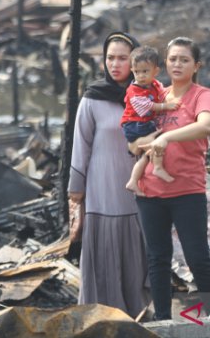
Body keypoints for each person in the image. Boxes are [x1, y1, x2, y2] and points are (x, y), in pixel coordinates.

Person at [135, 36, 210, 320]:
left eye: (184, 59)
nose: (177, 64)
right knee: (158, 260)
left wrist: (167, 136)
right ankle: (163, 320)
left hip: (187, 191)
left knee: (198, 258)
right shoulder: (157, 96)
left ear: (196, 65)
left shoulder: (201, 94)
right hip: (150, 192)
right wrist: (144, 140)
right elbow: (134, 136)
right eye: (172, 59)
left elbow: (206, 126)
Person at [68, 31, 149, 318]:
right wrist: (76, 194)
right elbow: (81, 147)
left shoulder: (146, 97)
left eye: (122, 58)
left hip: (138, 192)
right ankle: (100, 316)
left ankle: (137, 314)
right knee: (103, 256)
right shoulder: (92, 98)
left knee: (138, 256)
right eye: (110, 58)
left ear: (135, 61)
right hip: (102, 193)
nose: (115, 64)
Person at [121, 46, 180, 193]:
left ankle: (133, 180)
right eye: (136, 72)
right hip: (134, 124)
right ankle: (158, 167)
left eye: (145, 71)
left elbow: (162, 91)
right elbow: (147, 106)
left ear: (156, 71)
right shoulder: (133, 90)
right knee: (161, 138)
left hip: (141, 123)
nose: (140, 76)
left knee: (146, 155)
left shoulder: (154, 84)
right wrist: (166, 106)